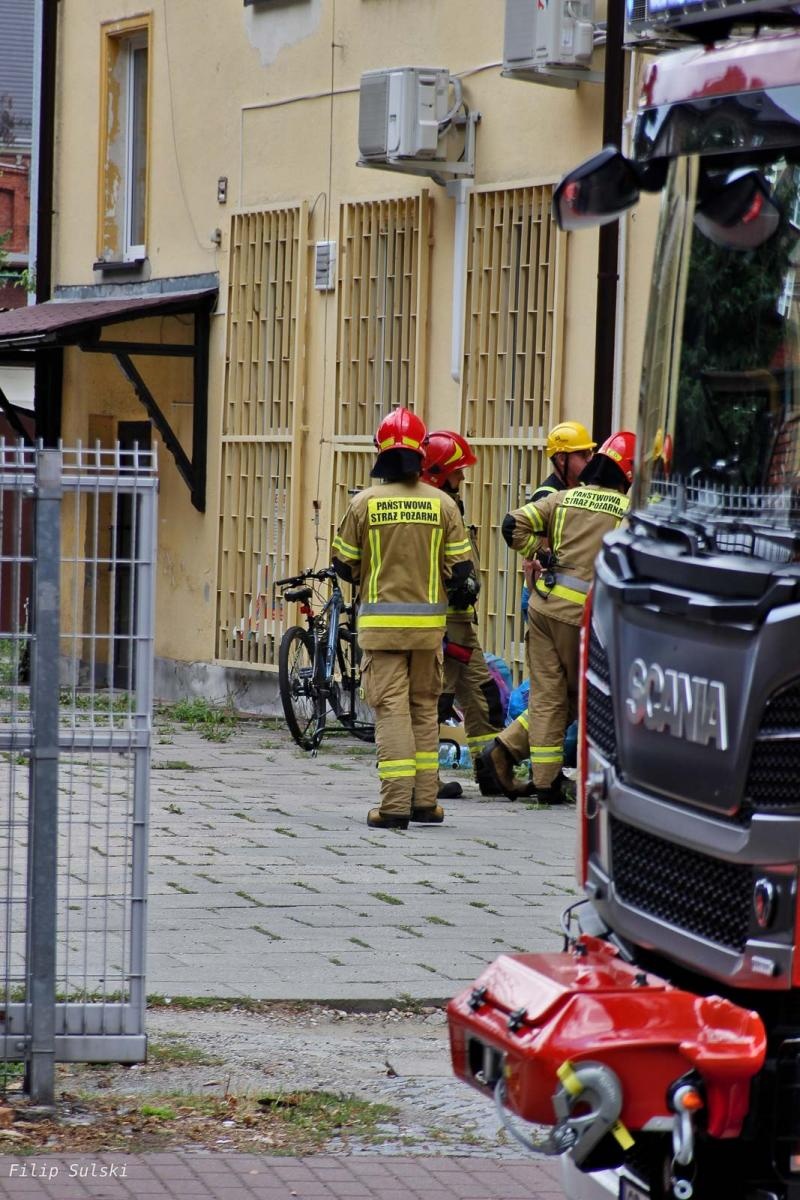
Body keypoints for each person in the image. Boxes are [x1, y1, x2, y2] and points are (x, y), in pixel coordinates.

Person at [332, 407, 479, 830]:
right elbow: (464, 576)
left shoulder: (363, 504)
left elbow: (344, 566)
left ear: (380, 452)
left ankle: (395, 805)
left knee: (392, 711)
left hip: (380, 632)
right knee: (423, 709)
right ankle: (425, 802)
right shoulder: (443, 505)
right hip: (428, 632)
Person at [476, 431, 636, 805]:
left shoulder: (562, 499)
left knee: (550, 695)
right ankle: (529, 762)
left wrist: (541, 555)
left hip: (544, 609)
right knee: (584, 696)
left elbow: (511, 525)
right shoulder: (625, 513)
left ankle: (536, 775)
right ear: (626, 474)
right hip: (588, 619)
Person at [492, 420, 596, 787]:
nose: (590, 458)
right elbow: (517, 532)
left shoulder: (579, 491)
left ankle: (523, 763)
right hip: (547, 598)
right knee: (560, 693)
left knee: (558, 694)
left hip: (558, 601)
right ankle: (541, 774)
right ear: (563, 459)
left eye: (590, 452)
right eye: (583, 454)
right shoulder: (547, 495)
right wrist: (543, 556)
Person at [421, 430, 506, 799]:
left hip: (460, 621)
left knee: (482, 693)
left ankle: (490, 770)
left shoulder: (450, 503)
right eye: (457, 471)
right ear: (438, 472)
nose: (463, 477)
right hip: (443, 620)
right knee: (435, 697)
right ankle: (424, 779)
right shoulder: (435, 507)